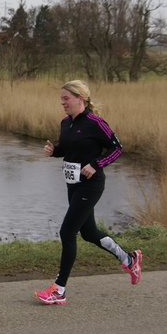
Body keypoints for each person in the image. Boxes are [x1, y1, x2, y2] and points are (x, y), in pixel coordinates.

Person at [35, 80, 142, 305]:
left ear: (79, 99)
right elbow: (67, 150)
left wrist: (96, 163)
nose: (62, 102)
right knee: (89, 233)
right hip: (72, 184)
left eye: (66, 98)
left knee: (67, 232)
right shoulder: (66, 123)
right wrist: (54, 151)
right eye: (61, 98)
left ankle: (59, 290)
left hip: (90, 185)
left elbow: (117, 147)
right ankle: (129, 259)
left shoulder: (95, 122)